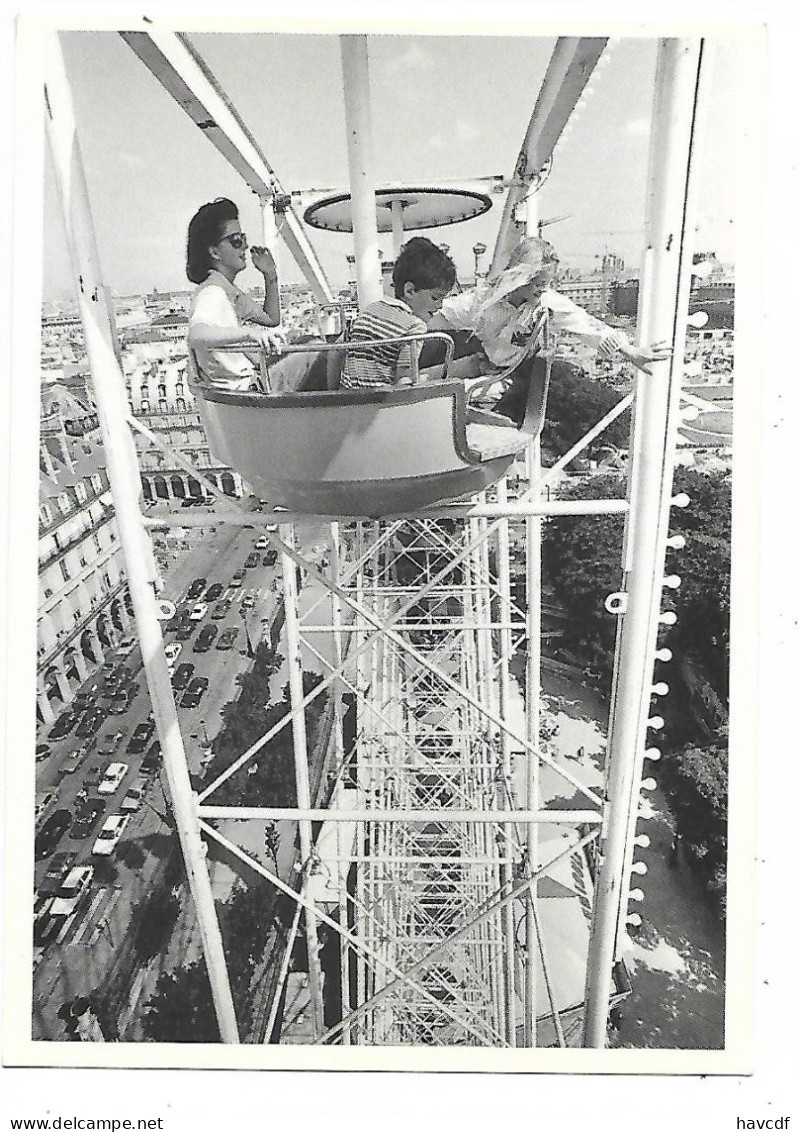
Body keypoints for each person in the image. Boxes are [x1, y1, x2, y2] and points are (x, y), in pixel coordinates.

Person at [428, 235, 671, 422]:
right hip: (483, 362)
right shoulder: (482, 300)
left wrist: (629, 351)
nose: (544, 290)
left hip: (512, 379)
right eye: (540, 284)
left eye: (548, 284)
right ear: (521, 278)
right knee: (420, 381)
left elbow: (584, 323)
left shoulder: (545, 303)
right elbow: (441, 316)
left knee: (448, 395)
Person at [186, 197, 322, 393]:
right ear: (214, 252)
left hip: (250, 383)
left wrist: (270, 275)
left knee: (309, 343)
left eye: (243, 238)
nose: (244, 247)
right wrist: (251, 333)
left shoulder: (227, 290)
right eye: (236, 241)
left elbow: (271, 319)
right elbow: (197, 335)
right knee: (319, 353)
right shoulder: (213, 293)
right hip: (247, 391)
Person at [339, 237, 457, 390]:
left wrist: (335, 391)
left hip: (346, 402)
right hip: (378, 408)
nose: (440, 305)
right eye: (435, 298)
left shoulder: (370, 310)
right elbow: (404, 382)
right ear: (410, 291)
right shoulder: (415, 327)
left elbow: (336, 353)